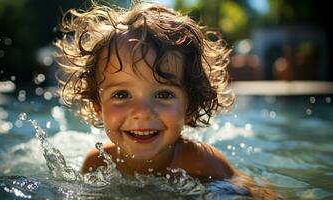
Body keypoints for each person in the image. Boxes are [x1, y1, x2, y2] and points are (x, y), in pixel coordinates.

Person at [55, 1, 277, 198]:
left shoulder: (204, 163)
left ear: (189, 106)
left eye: (163, 94)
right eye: (121, 94)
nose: (141, 111)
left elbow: (256, 192)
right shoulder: (96, 164)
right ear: (97, 106)